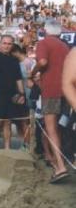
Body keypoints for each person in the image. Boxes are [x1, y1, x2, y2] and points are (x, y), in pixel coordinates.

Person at [30, 20, 70, 183]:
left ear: (45, 31)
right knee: (56, 128)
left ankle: (60, 167)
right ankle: (56, 160)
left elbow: (43, 62)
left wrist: (33, 73)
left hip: (51, 90)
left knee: (51, 128)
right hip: (66, 90)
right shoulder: (64, 46)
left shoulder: (44, 43)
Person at [0, 35, 25, 149]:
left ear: (12, 45)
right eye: (4, 43)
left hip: (11, 95)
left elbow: (18, 78)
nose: (7, 46)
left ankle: (7, 146)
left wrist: (22, 94)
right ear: (0, 44)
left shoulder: (14, 60)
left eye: (9, 44)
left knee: (8, 121)